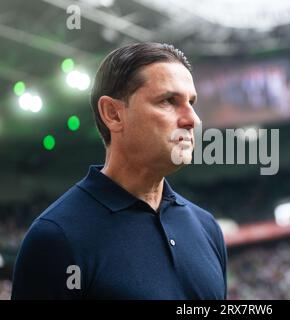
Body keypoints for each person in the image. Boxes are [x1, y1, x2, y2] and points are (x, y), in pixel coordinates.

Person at [11, 42, 228, 300]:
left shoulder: (207, 227)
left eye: (191, 102)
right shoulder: (56, 239)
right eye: (169, 101)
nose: (192, 119)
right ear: (113, 114)